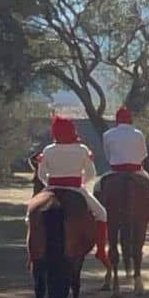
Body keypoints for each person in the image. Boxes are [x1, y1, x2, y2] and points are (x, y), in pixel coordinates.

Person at [36, 114, 112, 268]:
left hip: (52, 188)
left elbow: (41, 174)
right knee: (102, 213)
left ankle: (34, 251)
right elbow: (91, 174)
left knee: (31, 215)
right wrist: (80, 183)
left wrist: (49, 184)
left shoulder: (48, 150)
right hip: (76, 188)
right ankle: (101, 251)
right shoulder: (82, 149)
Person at [100, 106, 149, 229]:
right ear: (130, 120)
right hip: (136, 170)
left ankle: (101, 218)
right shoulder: (138, 134)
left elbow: (108, 155)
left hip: (115, 170)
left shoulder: (107, 135)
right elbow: (143, 155)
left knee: (97, 188)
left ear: (116, 120)